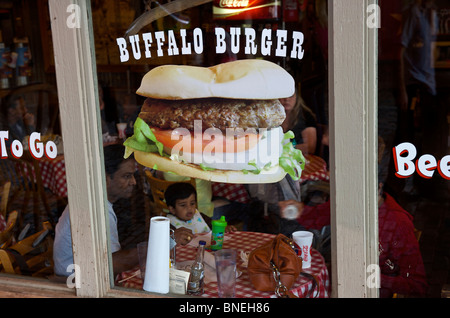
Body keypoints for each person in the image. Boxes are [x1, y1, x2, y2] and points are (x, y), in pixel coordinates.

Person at [53, 144, 139, 277]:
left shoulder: (92, 198)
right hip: (72, 282)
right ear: (105, 177)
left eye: (133, 175)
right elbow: (111, 264)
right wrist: (151, 250)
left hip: (86, 274)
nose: (133, 182)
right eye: (127, 176)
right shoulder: (96, 210)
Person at [164, 182, 236, 241]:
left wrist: (223, 228)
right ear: (172, 209)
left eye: (192, 203)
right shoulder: (169, 226)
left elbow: (213, 226)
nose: (189, 208)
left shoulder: (199, 216)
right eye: (183, 205)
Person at [280, 90, 318, 156]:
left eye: (291, 96)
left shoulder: (306, 116)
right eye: (283, 96)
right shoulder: (272, 116)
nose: (286, 99)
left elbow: (310, 147)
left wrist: (283, 149)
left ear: (296, 98)